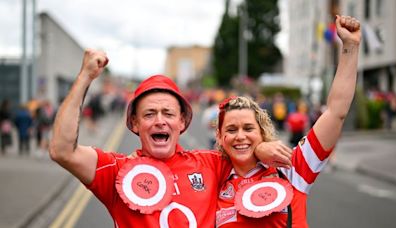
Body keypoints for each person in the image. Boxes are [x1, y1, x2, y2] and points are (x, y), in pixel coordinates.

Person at [49, 49, 293, 227]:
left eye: (168, 113)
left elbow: (243, 149)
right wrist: (84, 78)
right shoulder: (116, 171)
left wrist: (260, 148)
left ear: (182, 122)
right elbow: (62, 150)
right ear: (134, 122)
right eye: (149, 114)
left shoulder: (211, 163)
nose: (159, 121)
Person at [215, 15, 361, 227]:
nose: (240, 136)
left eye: (248, 128)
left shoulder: (291, 168)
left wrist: (350, 46)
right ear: (220, 136)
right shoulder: (212, 178)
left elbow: (336, 111)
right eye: (231, 129)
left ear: (262, 131)